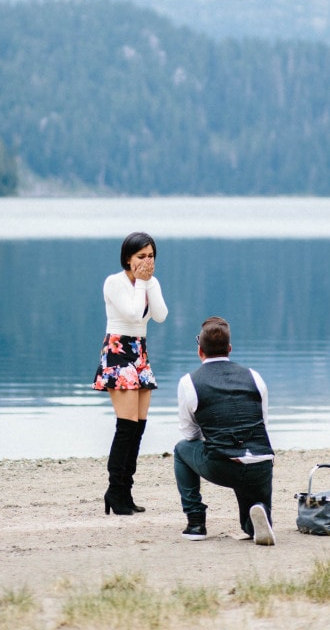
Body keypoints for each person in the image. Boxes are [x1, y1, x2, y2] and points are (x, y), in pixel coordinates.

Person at [174, 316, 275, 545]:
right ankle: (258, 515)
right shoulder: (254, 377)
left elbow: (190, 435)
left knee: (181, 450)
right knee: (251, 523)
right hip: (261, 462)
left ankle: (196, 522)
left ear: (200, 350)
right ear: (229, 349)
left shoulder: (189, 383)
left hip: (223, 464)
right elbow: (262, 424)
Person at [92, 231, 168, 515]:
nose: (147, 262)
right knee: (125, 427)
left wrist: (149, 284)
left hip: (140, 351)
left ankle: (125, 490)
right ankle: (115, 491)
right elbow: (134, 314)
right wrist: (142, 284)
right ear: (128, 258)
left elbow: (159, 315)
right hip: (118, 350)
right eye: (141, 257)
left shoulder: (150, 282)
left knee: (138, 427)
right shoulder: (114, 282)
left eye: (151, 256)